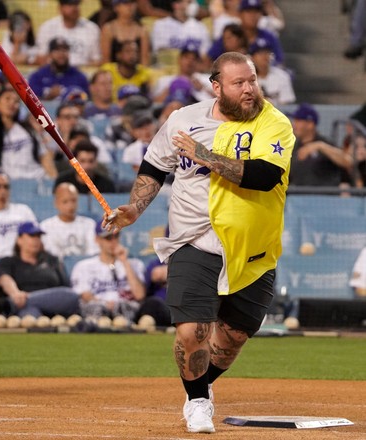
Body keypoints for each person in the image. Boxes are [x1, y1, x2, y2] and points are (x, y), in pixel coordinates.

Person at [102, 51, 295, 433]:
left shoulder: (274, 123)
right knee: (193, 331)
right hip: (193, 241)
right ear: (216, 86)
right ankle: (198, 402)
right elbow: (156, 165)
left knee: (235, 336)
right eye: (239, 83)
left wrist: (204, 155)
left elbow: (265, 176)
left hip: (252, 249)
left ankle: (199, 388)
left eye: (252, 80)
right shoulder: (184, 118)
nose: (249, 89)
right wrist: (134, 210)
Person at [0, 221, 80, 318]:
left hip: (53, 305)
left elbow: (65, 288)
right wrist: (16, 294)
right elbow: (4, 278)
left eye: (38, 237)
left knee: (71, 296)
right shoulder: (8, 261)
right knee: (30, 315)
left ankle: (24, 302)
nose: (36, 240)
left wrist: (24, 298)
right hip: (23, 305)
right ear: (19, 240)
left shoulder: (53, 260)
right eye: (32, 236)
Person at [70, 219, 146, 322]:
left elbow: (139, 295)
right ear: (97, 239)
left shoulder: (134, 264)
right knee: (97, 308)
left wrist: (124, 261)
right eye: (108, 238)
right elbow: (85, 296)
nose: (113, 242)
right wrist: (105, 303)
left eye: (116, 236)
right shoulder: (84, 266)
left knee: (123, 307)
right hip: (98, 308)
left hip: (124, 310)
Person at [0, 88, 58, 180]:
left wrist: (53, 180)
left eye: (16, 101)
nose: (12, 103)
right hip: (5, 185)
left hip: (34, 180)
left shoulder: (27, 129)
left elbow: (44, 156)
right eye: (7, 99)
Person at [288, 103, 354, 187]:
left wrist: (320, 146)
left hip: (324, 197)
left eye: (298, 121)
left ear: (310, 124)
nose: (294, 125)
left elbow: (348, 162)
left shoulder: (325, 144)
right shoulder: (293, 146)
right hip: (297, 196)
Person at [40, 183, 99, 260]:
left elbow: (93, 252)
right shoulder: (45, 226)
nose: (70, 206)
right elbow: (51, 254)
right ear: (56, 203)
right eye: (65, 202)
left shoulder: (89, 224)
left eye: (74, 201)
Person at [0, 170, 37, 258]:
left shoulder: (23, 210)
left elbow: (36, 236)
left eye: (6, 187)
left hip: (20, 262)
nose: (3, 191)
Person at [36, 0, 101, 67]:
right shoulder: (47, 27)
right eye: (70, 5)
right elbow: (41, 58)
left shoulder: (92, 28)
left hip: (82, 73)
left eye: (76, 4)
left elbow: (96, 60)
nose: (74, 8)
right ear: (60, 8)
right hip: (55, 73)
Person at [100, 0, 151, 66]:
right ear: (116, 7)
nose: (130, 7)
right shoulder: (108, 29)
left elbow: (144, 59)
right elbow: (106, 59)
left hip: (137, 72)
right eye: (125, 3)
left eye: (132, 3)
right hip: (113, 72)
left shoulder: (142, 30)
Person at [249, 37, 295, 105]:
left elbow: (286, 105)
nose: (264, 56)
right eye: (260, 53)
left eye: (267, 52)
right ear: (252, 57)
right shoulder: (247, 78)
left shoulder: (282, 76)